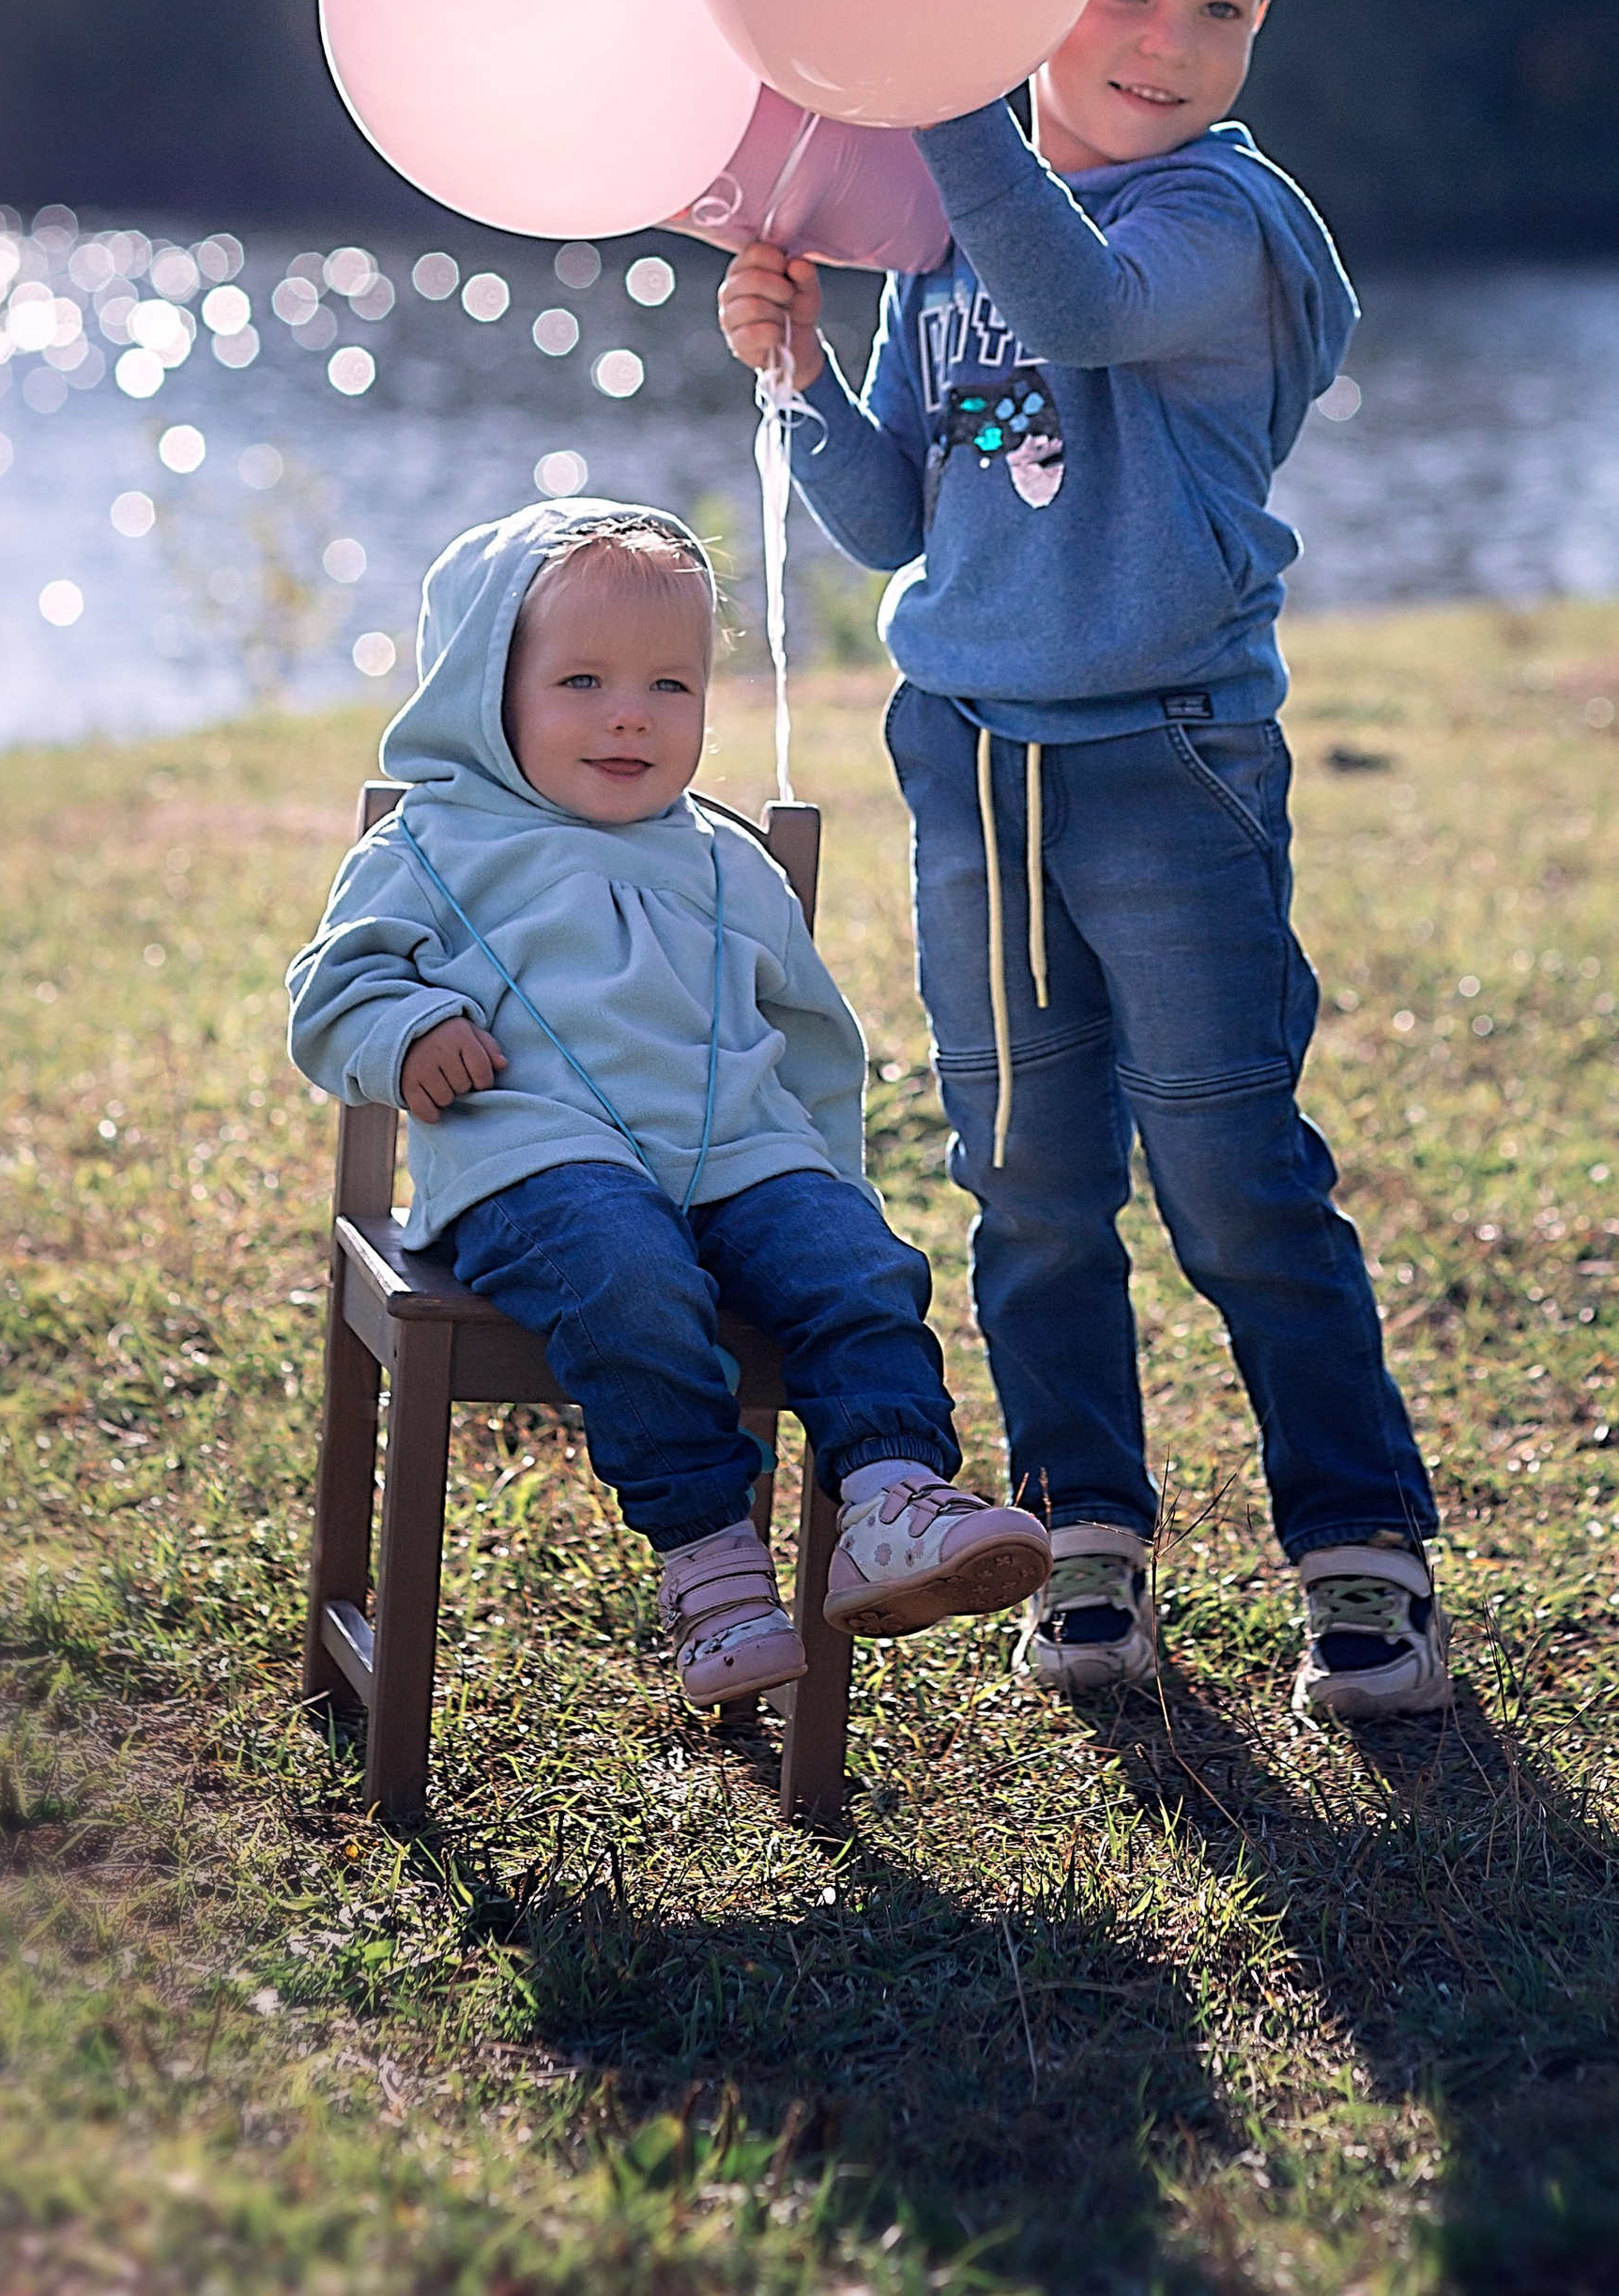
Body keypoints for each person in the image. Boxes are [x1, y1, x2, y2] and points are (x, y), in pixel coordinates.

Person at [718, 0, 1450, 1725]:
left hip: (1167, 759)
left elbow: (1074, 294)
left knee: (1228, 1172)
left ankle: (1361, 1555)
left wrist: (938, 65)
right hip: (970, 762)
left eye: (1217, 9)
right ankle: (1087, 1537)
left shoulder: (1219, 220)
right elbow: (891, 519)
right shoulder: (941, 239)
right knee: (1026, 1179)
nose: (1163, 43)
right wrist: (794, 369)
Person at [286, 497, 1049, 1710]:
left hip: (737, 1156)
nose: (630, 712)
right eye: (581, 679)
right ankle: (709, 1559)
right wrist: (405, 1029)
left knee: (859, 1266)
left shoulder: (727, 861)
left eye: (670, 685)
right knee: (630, 1274)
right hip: (540, 1164)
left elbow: (813, 1041)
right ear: (492, 687)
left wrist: (822, 1179)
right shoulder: (437, 842)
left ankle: (893, 1497)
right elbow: (333, 988)